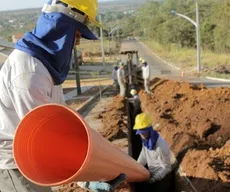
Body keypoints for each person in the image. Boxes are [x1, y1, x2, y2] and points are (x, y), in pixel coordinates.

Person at [0, 0, 121, 191]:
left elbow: (61, 121)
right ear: (62, 28)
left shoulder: (43, 65)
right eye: (78, 34)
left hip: (30, 162)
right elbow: (47, 138)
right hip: (15, 167)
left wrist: (86, 175)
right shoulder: (30, 74)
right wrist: (88, 175)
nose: (78, 42)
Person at [134, 113, 176, 184]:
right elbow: (143, 154)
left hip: (162, 179)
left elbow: (166, 168)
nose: (141, 134)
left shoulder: (161, 146)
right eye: (140, 132)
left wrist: (155, 178)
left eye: (143, 132)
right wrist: (137, 166)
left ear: (149, 129)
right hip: (152, 174)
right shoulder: (145, 140)